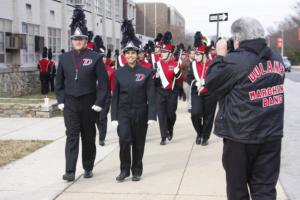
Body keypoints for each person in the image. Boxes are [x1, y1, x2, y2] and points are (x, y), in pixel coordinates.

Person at [204, 17, 285, 200]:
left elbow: (211, 82)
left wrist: (219, 56)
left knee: (237, 190)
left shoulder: (236, 60)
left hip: (240, 136)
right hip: (271, 134)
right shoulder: (276, 58)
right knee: (265, 189)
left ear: (237, 38)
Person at [55, 6, 109, 182]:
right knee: (71, 136)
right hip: (70, 103)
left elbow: (103, 83)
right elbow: (59, 83)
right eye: (75, 38)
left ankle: (88, 167)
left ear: (86, 40)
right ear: (71, 40)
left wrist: (99, 102)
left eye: (81, 38)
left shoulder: (95, 57)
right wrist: (61, 100)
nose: (78, 41)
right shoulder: (63, 58)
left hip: (89, 103)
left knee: (88, 136)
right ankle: (69, 170)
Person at [111, 19, 156, 182]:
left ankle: (137, 169)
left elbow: (151, 95)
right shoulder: (118, 73)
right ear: (124, 55)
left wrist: (152, 115)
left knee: (138, 142)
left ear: (138, 54)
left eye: (133, 52)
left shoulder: (146, 72)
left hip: (140, 112)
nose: (130, 55)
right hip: (123, 112)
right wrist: (114, 117)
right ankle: (124, 170)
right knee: (124, 139)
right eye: (127, 52)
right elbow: (114, 96)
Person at [187, 33, 218, 146]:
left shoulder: (212, 64)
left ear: (204, 54)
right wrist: (195, 82)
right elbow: (188, 77)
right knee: (195, 114)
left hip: (210, 92)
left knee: (208, 116)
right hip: (197, 92)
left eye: (197, 54)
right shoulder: (193, 65)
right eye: (195, 54)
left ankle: (205, 137)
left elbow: (216, 77)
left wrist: (205, 81)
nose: (195, 56)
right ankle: (199, 133)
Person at [154, 31, 182, 145]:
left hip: (172, 93)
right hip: (160, 92)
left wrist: (177, 72)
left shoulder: (175, 64)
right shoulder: (157, 64)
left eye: (165, 52)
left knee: (171, 114)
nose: (162, 53)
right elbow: (154, 82)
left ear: (170, 53)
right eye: (162, 51)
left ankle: (170, 128)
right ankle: (163, 137)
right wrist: (155, 77)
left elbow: (179, 79)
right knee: (161, 114)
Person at [96, 49, 115, 146]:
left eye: (104, 56)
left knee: (103, 117)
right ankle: (101, 130)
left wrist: (113, 95)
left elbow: (112, 84)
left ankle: (102, 138)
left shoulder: (110, 70)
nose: (102, 58)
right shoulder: (92, 68)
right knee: (96, 118)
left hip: (106, 96)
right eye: (100, 56)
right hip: (94, 96)